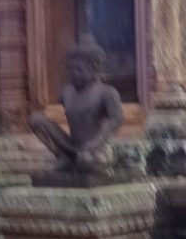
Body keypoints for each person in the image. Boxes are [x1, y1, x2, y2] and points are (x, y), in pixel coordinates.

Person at [30, 39, 125, 172]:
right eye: (70, 70)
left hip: (96, 148)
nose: (73, 74)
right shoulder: (66, 92)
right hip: (71, 145)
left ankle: (81, 160)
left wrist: (95, 142)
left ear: (95, 68)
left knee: (85, 162)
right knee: (36, 119)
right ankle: (64, 156)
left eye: (79, 70)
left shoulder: (106, 92)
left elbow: (115, 120)